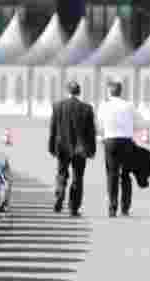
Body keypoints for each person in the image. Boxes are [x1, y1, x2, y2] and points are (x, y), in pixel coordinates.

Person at [48, 80, 97, 217]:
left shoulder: (58, 106)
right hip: (80, 150)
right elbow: (91, 132)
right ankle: (73, 208)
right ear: (79, 92)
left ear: (67, 91)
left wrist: (51, 147)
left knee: (61, 173)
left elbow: (53, 128)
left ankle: (60, 192)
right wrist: (92, 150)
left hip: (62, 147)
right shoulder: (87, 108)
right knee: (78, 177)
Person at [98, 79, 140, 217]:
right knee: (126, 175)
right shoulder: (129, 105)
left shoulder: (104, 105)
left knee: (112, 174)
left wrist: (101, 138)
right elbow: (138, 122)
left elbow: (100, 124)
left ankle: (112, 207)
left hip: (110, 141)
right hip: (127, 142)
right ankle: (125, 207)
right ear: (121, 92)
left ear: (110, 91)